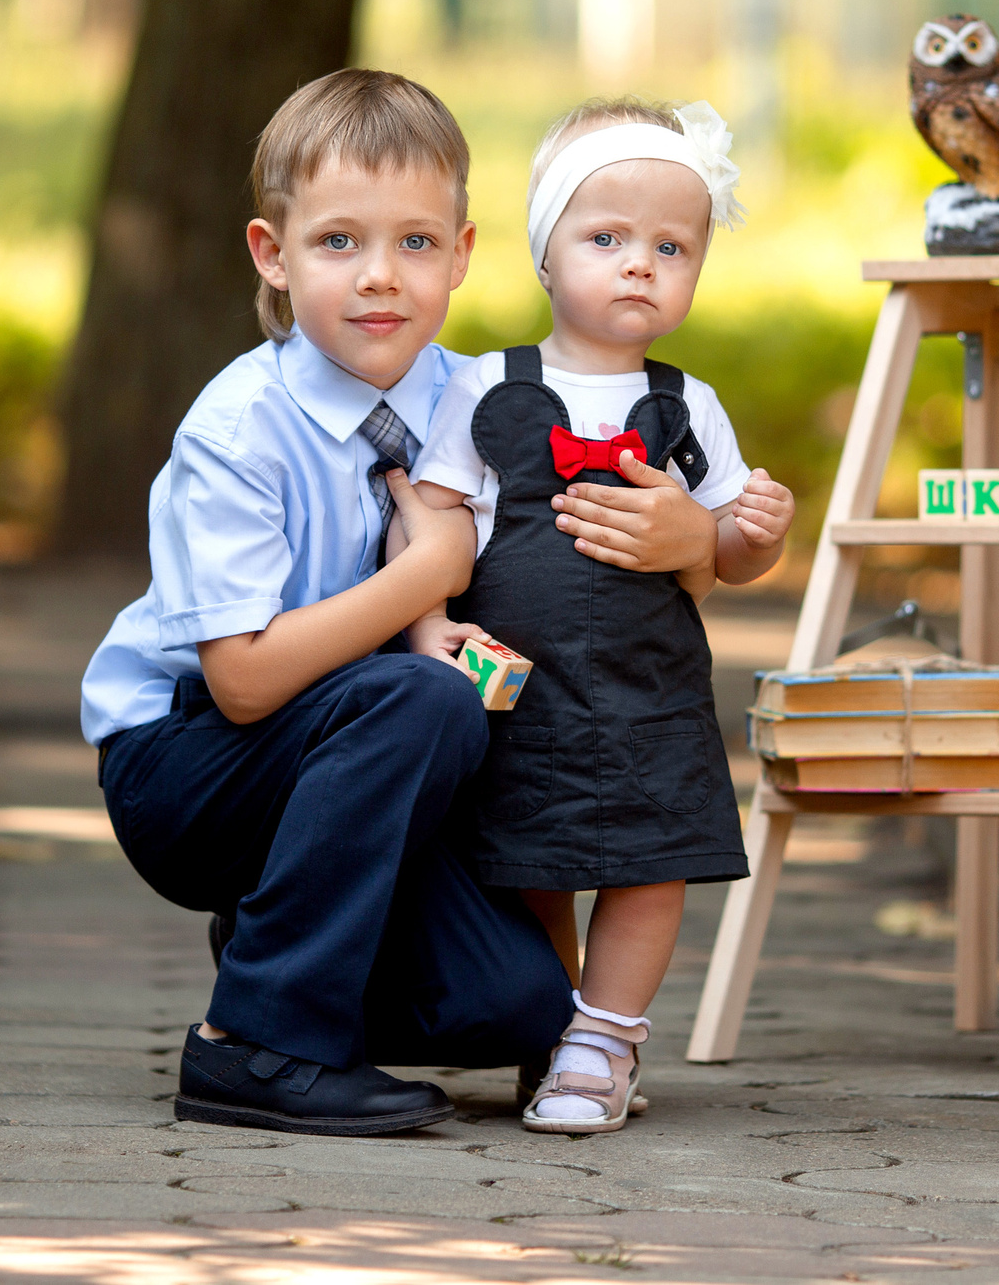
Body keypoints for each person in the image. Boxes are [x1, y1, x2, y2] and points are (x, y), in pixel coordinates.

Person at [81, 70, 720, 1138]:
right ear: (271, 254)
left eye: (415, 242)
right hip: (191, 767)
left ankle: (285, 944)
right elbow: (243, 684)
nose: (380, 276)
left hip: (363, 760)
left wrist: (695, 538)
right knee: (420, 697)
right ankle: (254, 1043)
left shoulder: (485, 400)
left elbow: (587, 568)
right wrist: (428, 574)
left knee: (525, 1006)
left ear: (462, 255)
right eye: (338, 242)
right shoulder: (239, 429)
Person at [405, 97, 797, 1134]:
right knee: (530, 864)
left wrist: (749, 534)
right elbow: (433, 516)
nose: (639, 266)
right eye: (607, 238)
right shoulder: (486, 387)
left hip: (646, 690)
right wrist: (425, 621)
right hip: (518, 688)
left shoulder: (687, 405)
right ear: (545, 251)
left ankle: (607, 1039)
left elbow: (727, 552)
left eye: (672, 247)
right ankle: (551, 1032)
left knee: (649, 861)